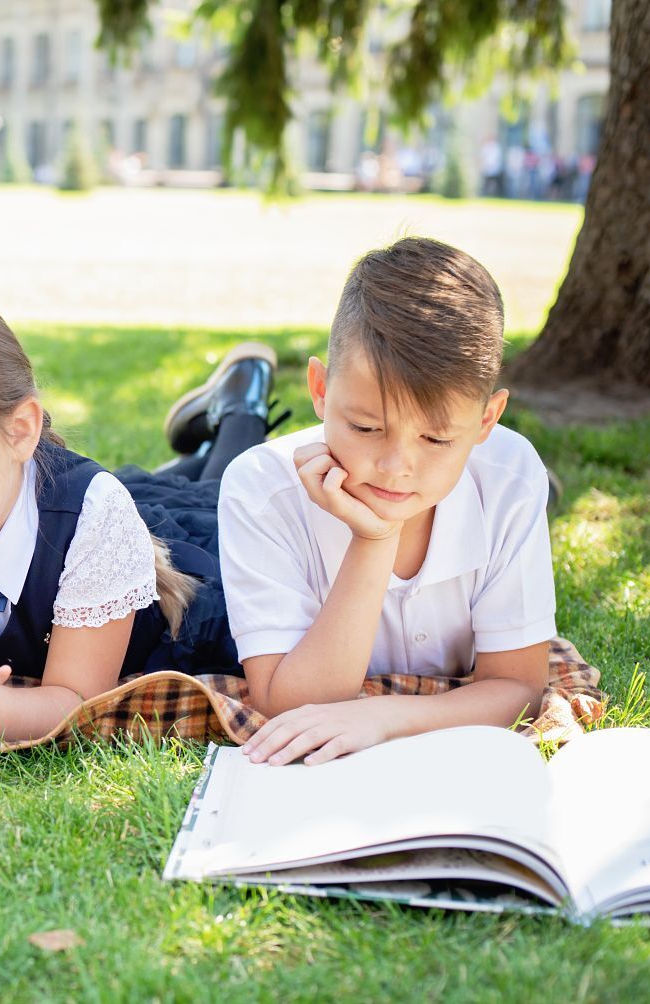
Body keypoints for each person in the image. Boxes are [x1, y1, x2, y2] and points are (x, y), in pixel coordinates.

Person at [0, 291, 279, 742]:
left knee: (227, 488)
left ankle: (242, 403)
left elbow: (74, 702)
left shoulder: (94, 517)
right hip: (73, 495)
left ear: (20, 431)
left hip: (180, 563)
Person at [223, 237, 556, 766]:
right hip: (226, 520)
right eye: (365, 426)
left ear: (487, 420)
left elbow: (519, 687)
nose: (397, 466)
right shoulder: (258, 490)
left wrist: (381, 717)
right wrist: (374, 538)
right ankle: (236, 406)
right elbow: (288, 704)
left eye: (438, 440)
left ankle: (240, 401)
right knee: (175, 502)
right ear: (320, 389)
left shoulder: (510, 475)